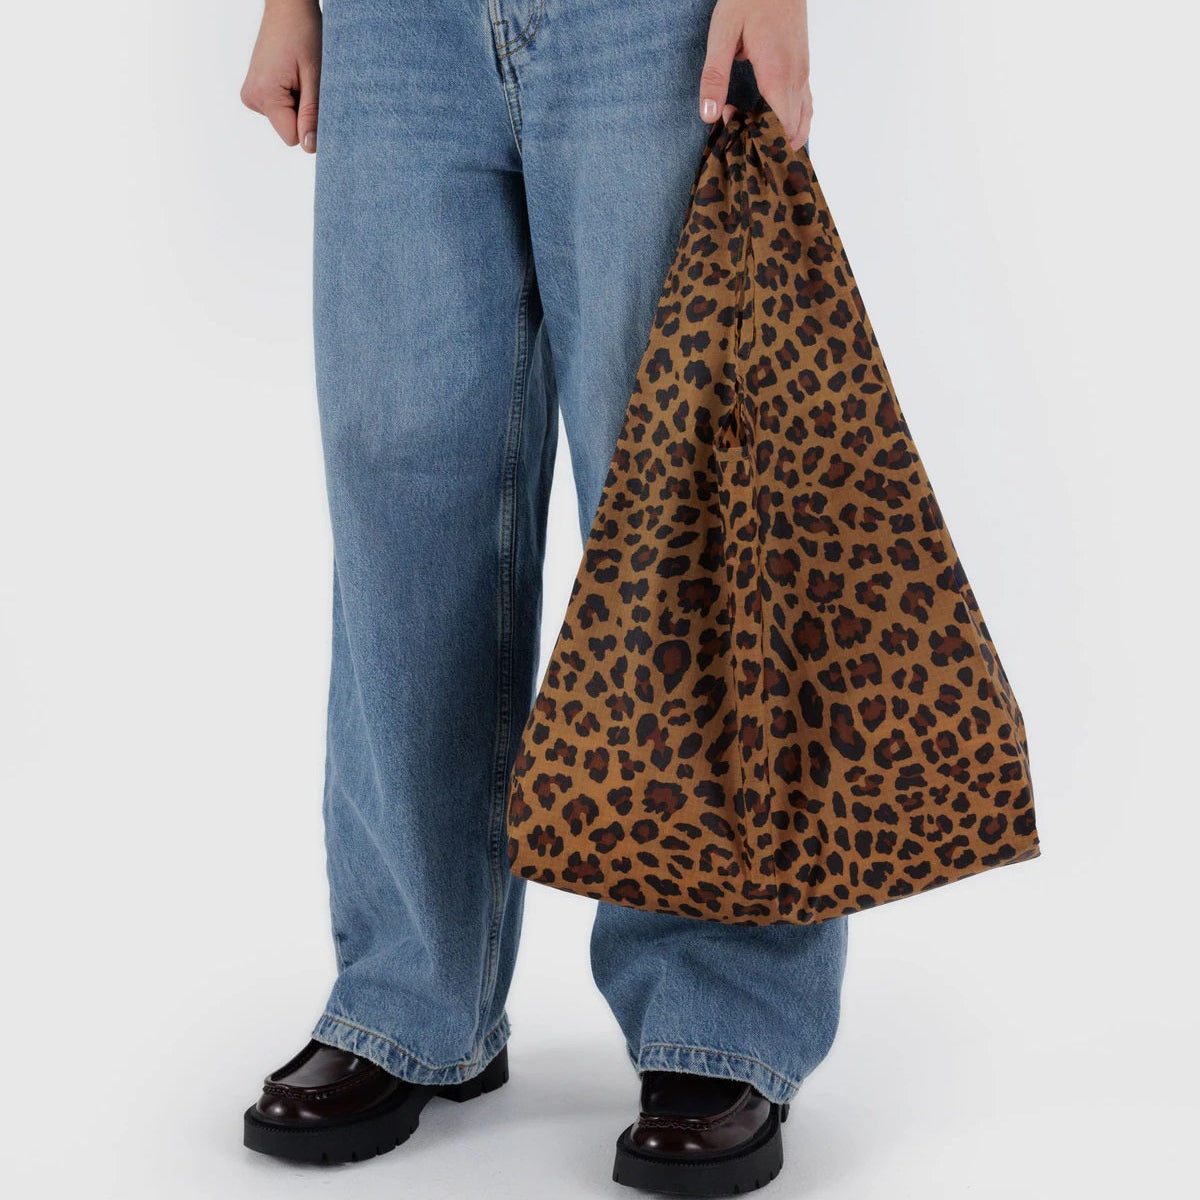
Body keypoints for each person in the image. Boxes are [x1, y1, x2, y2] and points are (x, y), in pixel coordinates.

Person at [238, 1, 847, 1193]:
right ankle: (412, 994)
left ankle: (718, 1011)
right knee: (398, 490)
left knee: (685, 487)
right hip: (393, 28)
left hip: (647, 24)